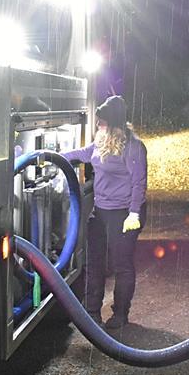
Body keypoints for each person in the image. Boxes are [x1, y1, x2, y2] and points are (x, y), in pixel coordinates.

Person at [62, 95, 148, 329]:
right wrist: (52, 158)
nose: (98, 125)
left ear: (114, 124)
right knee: (94, 263)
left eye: (102, 122)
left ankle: (120, 313)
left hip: (124, 214)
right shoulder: (100, 143)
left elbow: (139, 184)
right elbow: (80, 154)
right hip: (100, 211)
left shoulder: (134, 148)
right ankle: (92, 313)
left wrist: (134, 214)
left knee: (122, 264)